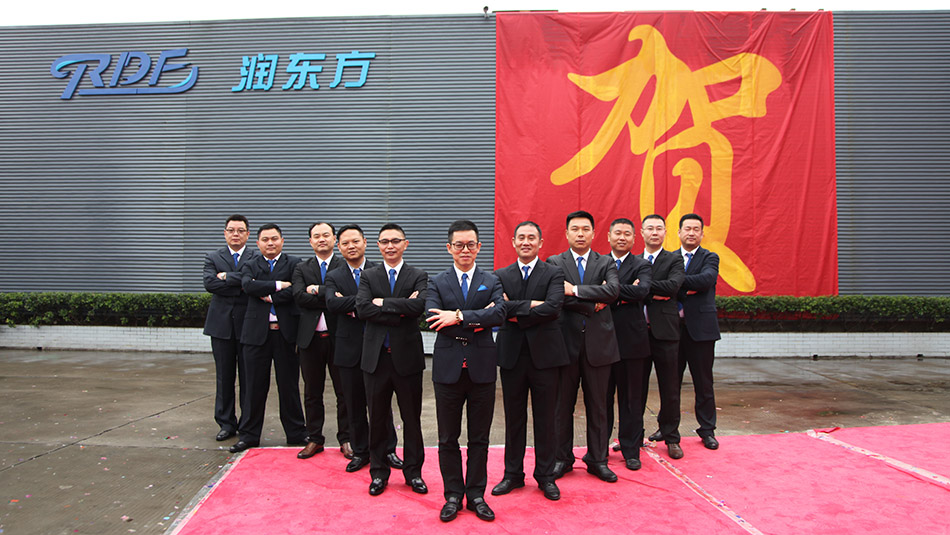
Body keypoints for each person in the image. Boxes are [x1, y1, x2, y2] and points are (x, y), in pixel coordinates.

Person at [425, 219, 505, 523]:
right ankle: (452, 495)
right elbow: (432, 318)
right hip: (447, 368)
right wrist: (478, 318)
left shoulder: (491, 280)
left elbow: (499, 313)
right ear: (449, 248)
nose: (465, 250)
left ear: (479, 247)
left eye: (471, 244)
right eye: (459, 245)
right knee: (448, 437)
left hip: (481, 367)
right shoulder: (437, 281)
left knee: (479, 438)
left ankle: (476, 495)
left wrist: (458, 316)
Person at [492, 221, 568, 501]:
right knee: (514, 418)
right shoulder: (500, 275)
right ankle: (512, 474)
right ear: (513, 242)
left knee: (546, 418)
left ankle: (545, 476)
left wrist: (517, 311)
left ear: (540, 243)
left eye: (531, 238)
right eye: (521, 237)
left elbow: (554, 308)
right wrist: (534, 305)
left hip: (546, 356)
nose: (526, 242)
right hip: (512, 355)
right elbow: (499, 310)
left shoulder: (554, 273)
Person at [546, 210, 621, 483]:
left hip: (598, 346)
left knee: (599, 406)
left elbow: (613, 291)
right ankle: (561, 458)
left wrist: (575, 290)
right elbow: (556, 297)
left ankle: (597, 459)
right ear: (566, 233)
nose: (580, 234)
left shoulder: (606, 262)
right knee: (561, 406)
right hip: (564, 346)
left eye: (585, 229)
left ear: (593, 233)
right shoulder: (554, 262)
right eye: (575, 229)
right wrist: (592, 303)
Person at [356, 223, 428, 496]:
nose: (390, 246)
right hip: (375, 359)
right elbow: (362, 309)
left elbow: (418, 307)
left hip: (407, 359)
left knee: (412, 419)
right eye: (385, 241)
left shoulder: (418, 275)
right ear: (378, 245)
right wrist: (400, 308)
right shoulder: (368, 275)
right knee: (377, 418)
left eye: (395, 241)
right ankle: (378, 473)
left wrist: (382, 303)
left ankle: (413, 473)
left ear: (405, 244)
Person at [325, 224, 403, 472]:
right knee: (353, 402)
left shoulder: (379, 271)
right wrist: (367, 304)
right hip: (347, 348)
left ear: (365, 242)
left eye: (355, 241)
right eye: (345, 243)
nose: (351, 246)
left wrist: (353, 306)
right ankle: (361, 452)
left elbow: (391, 303)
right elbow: (331, 304)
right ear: (339, 247)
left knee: (381, 403)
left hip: (379, 347)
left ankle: (388, 450)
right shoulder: (334, 275)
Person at [229, 224, 306, 453]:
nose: (270, 243)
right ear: (258, 243)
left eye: (274, 238)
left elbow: (296, 291)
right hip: (256, 334)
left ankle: (296, 432)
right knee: (253, 386)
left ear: (282, 240)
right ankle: (249, 435)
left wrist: (269, 296)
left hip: (286, 333)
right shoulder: (250, 264)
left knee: (289, 385)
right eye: (265, 239)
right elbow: (247, 286)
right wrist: (278, 285)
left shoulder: (295, 264)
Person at [291, 222, 349, 460]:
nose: (321, 239)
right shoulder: (301, 268)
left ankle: (346, 438)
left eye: (326, 235)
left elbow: (349, 295)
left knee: (344, 392)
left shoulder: (344, 265)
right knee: (312, 392)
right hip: (310, 339)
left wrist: (317, 290)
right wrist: (331, 296)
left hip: (340, 338)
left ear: (334, 239)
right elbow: (298, 297)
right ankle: (315, 438)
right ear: (310, 241)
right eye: (317, 236)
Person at [605, 218, 652, 470]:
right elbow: (592, 291)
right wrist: (625, 292)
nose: (622, 237)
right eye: (617, 233)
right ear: (609, 236)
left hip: (633, 342)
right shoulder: (600, 262)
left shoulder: (642, 264)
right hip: (603, 340)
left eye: (627, 234)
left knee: (632, 399)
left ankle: (631, 450)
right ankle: (599, 448)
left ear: (634, 238)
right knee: (601, 399)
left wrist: (609, 291)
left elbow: (642, 291)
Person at [202, 214, 255, 442]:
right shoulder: (213, 257)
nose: (236, 234)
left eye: (240, 230)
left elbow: (253, 283)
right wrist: (240, 283)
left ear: (247, 234)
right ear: (225, 233)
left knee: (248, 378)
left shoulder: (255, 257)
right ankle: (226, 423)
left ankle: (247, 423)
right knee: (224, 377)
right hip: (220, 326)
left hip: (248, 325)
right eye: (231, 230)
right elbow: (210, 284)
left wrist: (227, 278)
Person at [640, 214, 686, 459]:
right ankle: (633, 436)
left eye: (659, 228)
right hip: (637, 333)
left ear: (665, 232)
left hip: (666, 332)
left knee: (670, 387)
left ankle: (671, 436)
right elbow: (623, 289)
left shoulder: (674, 259)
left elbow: (673, 287)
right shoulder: (634, 260)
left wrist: (642, 288)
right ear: (642, 232)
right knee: (635, 387)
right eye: (650, 228)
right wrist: (653, 292)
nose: (654, 232)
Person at [675, 213, 722, 450]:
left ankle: (707, 430)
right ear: (679, 233)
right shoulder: (670, 258)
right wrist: (689, 286)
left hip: (701, 331)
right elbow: (659, 284)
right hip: (673, 330)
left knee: (703, 383)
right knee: (670, 383)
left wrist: (676, 283)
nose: (691, 233)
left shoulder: (710, 257)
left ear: (702, 234)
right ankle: (668, 428)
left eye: (696, 229)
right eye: (687, 229)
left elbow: (706, 280)